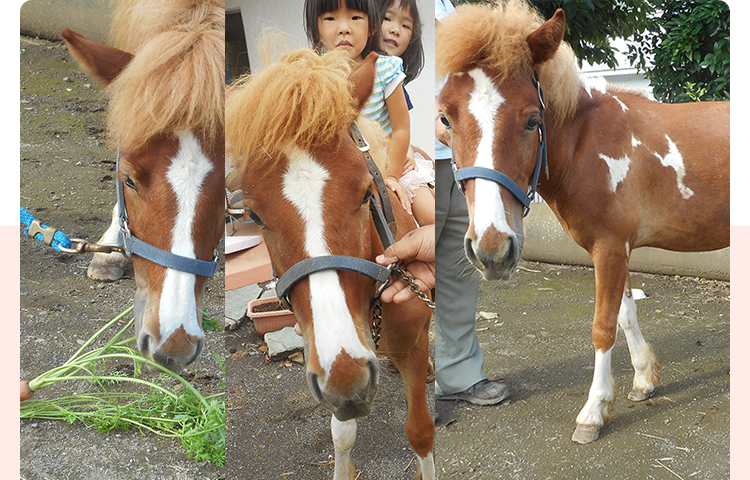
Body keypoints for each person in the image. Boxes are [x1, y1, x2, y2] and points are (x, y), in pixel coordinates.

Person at [432, 0, 509, 406]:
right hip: (383, 162)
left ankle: (458, 374)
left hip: (453, 158)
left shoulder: (449, 8)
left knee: (454, 270)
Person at [304, 0, 412, 215]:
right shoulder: (311, 78)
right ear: (314, 29)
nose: (344, 28)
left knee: (427, 212)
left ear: (372, 26)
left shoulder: (385, 69)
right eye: (330, 18)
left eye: (355, 18)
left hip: (389, 162)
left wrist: (391, 176)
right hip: (339, 172)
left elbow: (401, 128)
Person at [378, 0, 435, 227]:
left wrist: (407, 149)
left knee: (430, 214)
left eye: (406, 26)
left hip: (395, 160)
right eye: (387, 18)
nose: (395, 29)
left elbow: (400, 126)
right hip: (367, 156)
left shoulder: (394, 79)